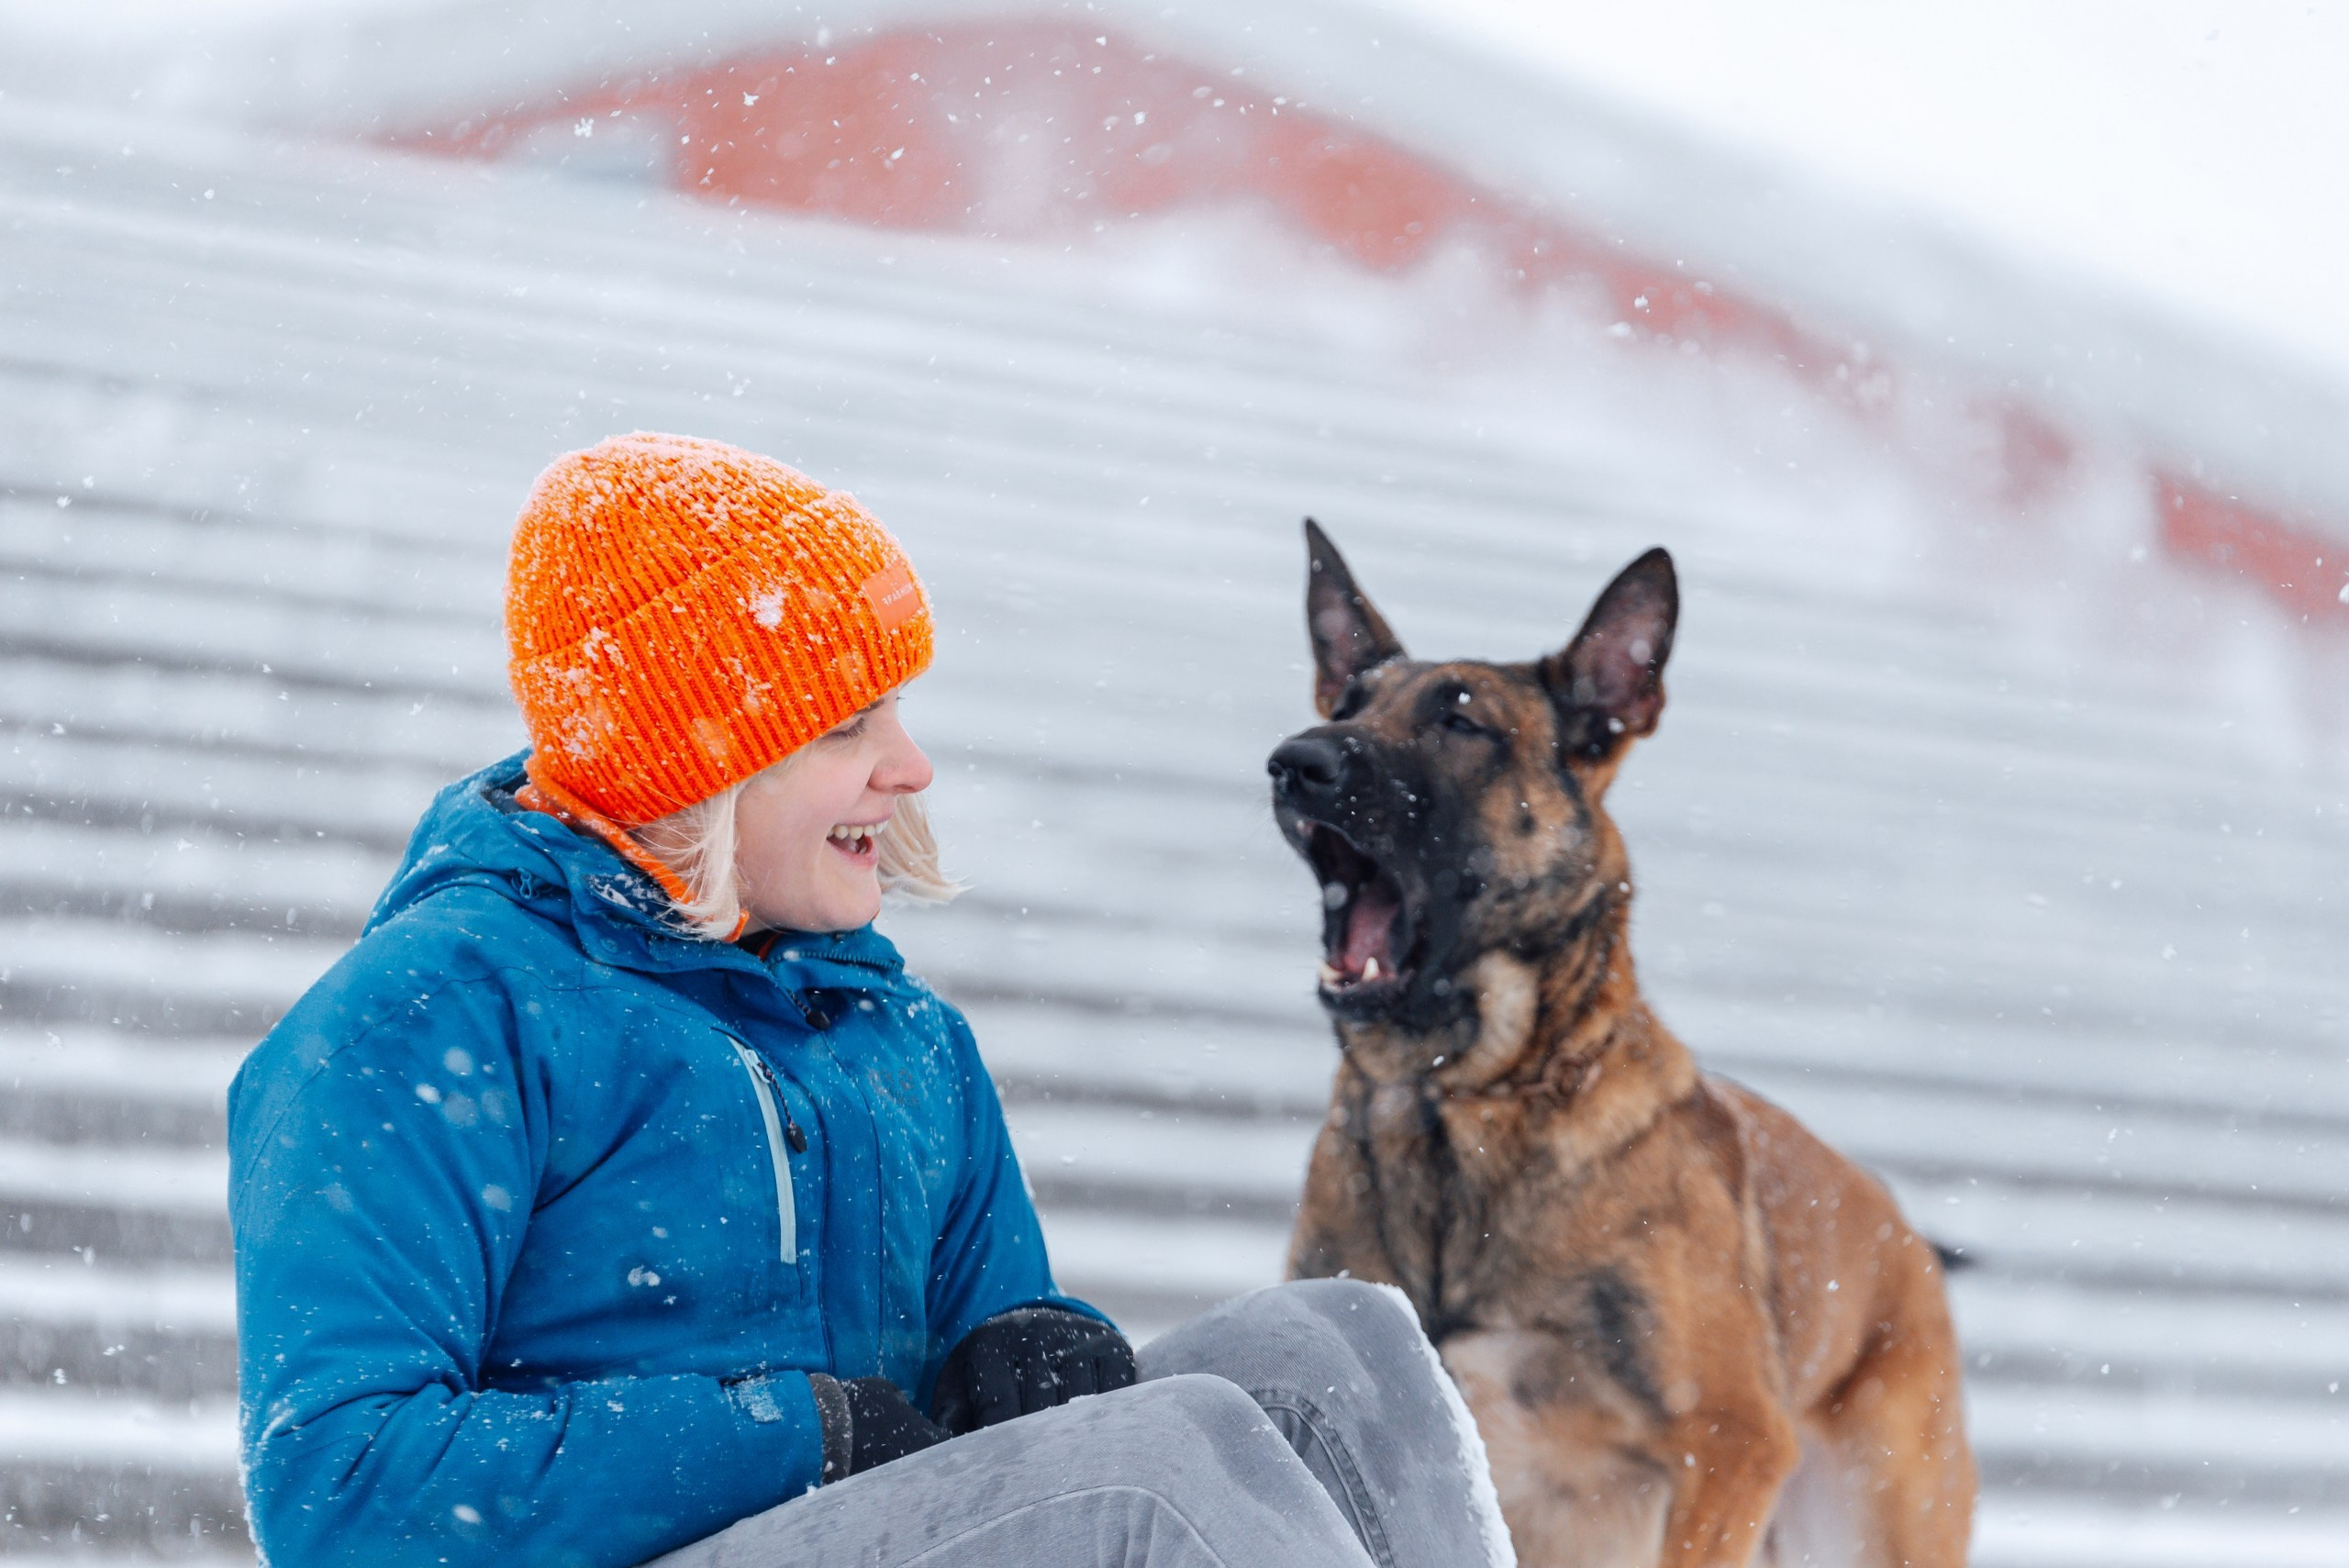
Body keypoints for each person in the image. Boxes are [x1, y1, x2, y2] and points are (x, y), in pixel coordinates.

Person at [228, 433, 1515, 1568]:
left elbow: (987, 1407)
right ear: (701, 763)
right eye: (849, 726)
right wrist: (791, 1434)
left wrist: (1028, 1339)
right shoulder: (432, 1017)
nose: (910, 766)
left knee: (1332, 1350)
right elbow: (337, 1488)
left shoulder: (899, 1040)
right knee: (1154, 1468)